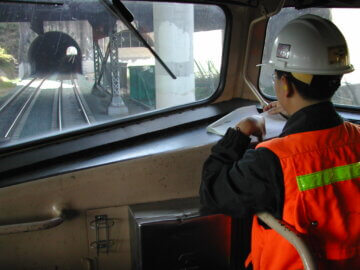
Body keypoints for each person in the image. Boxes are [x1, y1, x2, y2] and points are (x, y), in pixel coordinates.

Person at [199, 14, 360, 270]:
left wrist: (239, 134)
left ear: (285, 85)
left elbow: (213, 193)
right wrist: (294, 112)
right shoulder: (357, 137)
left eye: (276, 77)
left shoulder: (272, 161)